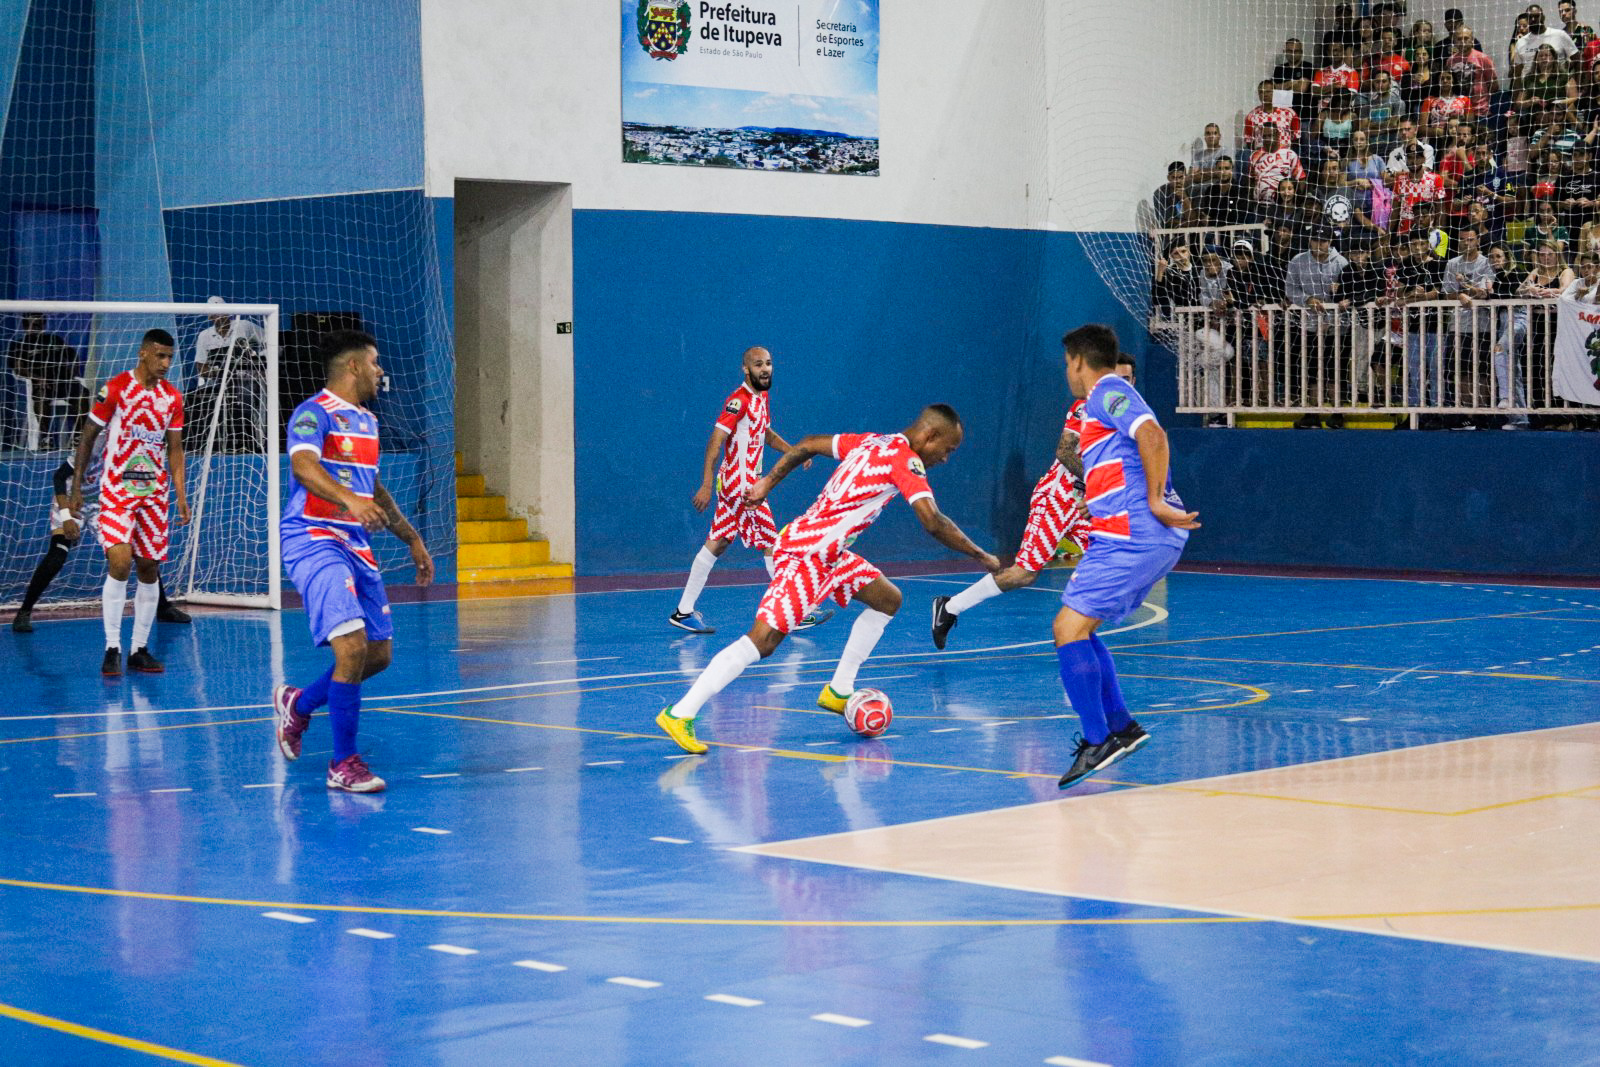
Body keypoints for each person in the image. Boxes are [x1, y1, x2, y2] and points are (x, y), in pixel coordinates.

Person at [654, 406, 1000, 755]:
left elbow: (806, 444)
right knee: (763, 642)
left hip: (831, 555)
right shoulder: (904, 460)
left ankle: (839, 690)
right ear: (930, 436)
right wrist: (981, 556)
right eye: (948, 449)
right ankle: (680, 713)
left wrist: (766, 483)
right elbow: (933, 521)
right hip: (807, 555)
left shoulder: (871, 442)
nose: (945, 458)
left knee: (887, 599)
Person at [271, 330, 434, 794]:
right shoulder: (312, 412)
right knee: (351, 648)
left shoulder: (367, 422)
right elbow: (304, 465)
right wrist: (347, 499)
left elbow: (372, 487)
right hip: (312, 537)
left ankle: (298, 706)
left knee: (378, 655)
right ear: (354, 367)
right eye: (376, 362)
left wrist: (411, 538)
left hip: (355, 542)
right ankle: (343, 764)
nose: (381, 371)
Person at [1053, 324, 1198, 788]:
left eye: (1067, 364)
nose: (1067, 372)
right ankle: (1121, 727)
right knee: (1081, 626)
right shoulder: (1102, 401)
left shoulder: (1105, 390)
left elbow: (1152, 435)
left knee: (1067, 629)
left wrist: (1155, 498)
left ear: (1077, 361)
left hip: (1133, 533)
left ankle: (1099, 739)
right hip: (1131, 535)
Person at [669, 346, 828, 635]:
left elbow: (764, 433)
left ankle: (684, 611)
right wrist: (706, 484)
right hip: (743, 489)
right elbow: (715, 442)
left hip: (736, 486)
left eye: (768, 363)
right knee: (772, 544)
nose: (765, 369)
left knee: (717, 542)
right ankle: (795, 611)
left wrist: (793, 452)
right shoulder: (737, 401)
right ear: (746, 369)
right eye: (758, 364)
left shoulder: (761, 397)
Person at [930, 391, 1096, 648]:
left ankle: (1080, 632)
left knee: (1109, 556)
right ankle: (950, 607)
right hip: (1057, 498)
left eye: (1128, 379)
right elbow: (1065, 451)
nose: (1122, 384)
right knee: (1024, 574)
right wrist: (1100, 483)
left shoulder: (1125, 417)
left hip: (1089, 502)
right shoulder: (1087, 407)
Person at [68, 329, 188, 676]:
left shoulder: (172, 399)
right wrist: (76, 489)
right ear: (143, 354)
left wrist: (180, 494)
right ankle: (111, 647)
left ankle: (139, 649)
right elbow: (88, 436)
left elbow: (175, 449)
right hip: (118, 491)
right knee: (120, 561)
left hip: (154, 494)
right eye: (160, 356)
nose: (166, 363)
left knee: (149, 566)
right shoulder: (117, 388)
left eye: (170, 357)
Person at [11, 445, 189, 633]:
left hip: (102, 505)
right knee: (58, 554)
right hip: (71, 502)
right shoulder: (95, 446)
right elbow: (59, 476)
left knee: (138, 552)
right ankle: (24, 612)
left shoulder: (129, 453)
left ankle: (163, 608)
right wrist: (65, 515)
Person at [190, 296, 267, 452]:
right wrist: (221, 371)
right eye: (214, 313)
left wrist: (262, 361)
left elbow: (270, 340)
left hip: (247, 380)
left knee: (245, 398)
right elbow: (201, 367)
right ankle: (224, 443)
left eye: (221, 312)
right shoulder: (204, 336)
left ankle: (252, 442)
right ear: (209, 316)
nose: (218, 316)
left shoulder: (244, 326)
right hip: (220, 382)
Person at [4, 313, 84, 448]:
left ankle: (77, 437)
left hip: (62, 381)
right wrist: (37, 378)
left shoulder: (54, 339)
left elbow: (73, 356)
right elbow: (18, 368)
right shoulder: (19, 344)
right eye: (34, 324)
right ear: (25, 326)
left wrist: (72, 372)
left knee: (83, 394)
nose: (38, 327)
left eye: (40, 324)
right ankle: (46, 438)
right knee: (41, 396)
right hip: (41, 383)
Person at [1446, 24, 1500, 118]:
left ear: (1472, 40)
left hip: (1480, 112)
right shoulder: (1450, 61)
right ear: (1454, 41)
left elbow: (1494, 85)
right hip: (1458, 112)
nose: (1462, 42)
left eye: (1466, 38)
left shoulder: (1483, 58)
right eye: (1459, 39)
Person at [1251, 124, 1305, 204]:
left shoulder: (1290, 154)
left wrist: (1297, 201)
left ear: (1278, 135)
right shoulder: (1254, 156)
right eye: (1264, 136)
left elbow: (1301, 179)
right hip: (1259, 205)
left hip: (1281, 205)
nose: (1267, 139)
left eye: (1270, 135)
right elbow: (1251, 179)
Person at [1152, 162, 1191, 227]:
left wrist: (1184, 198)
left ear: (1186, 177)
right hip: (1170, 233)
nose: (1178, 181)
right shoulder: (1160, 193)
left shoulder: (1194, 190)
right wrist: (1190, 224)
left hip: (1195, 234)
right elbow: (1167, 221)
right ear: (1168, 178)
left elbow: (1196, 218)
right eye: (1174, 178)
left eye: (1181, 177)